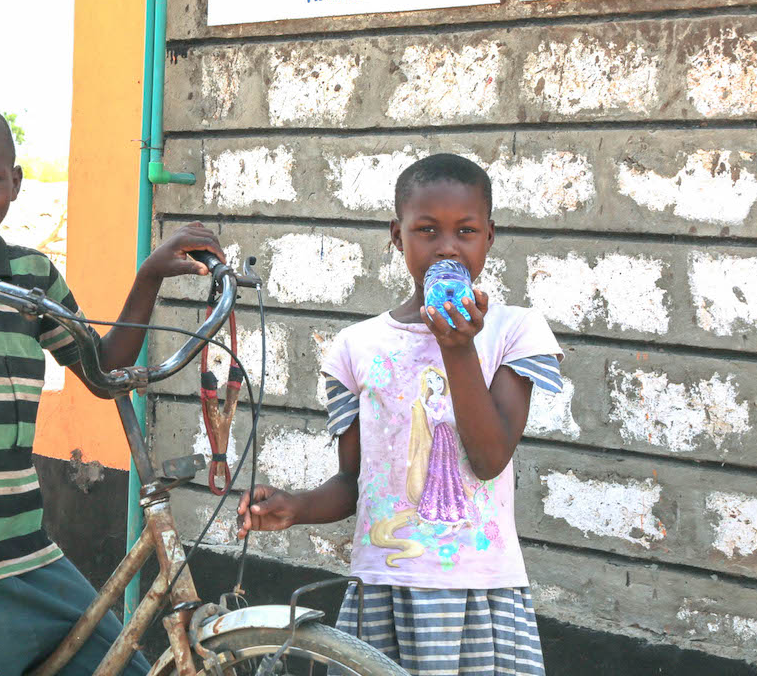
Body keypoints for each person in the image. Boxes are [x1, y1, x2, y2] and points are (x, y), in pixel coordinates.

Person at [0, 99, 222, 676]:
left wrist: (148, 274)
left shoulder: (32, 275)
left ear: (16, 184)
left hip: (26, 552)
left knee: (120, 665)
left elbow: (102, 373)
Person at [237, 153, 564, 676]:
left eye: (467, 230)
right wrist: (297, 506)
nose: (448, 247)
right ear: (397, 234)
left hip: (478, 591)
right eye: (427, 230)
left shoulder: (515, 332)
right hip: (383, 592)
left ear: (490, 237)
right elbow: (354, 480)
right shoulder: (355, 347)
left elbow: (489, 458)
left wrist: (458, 349)